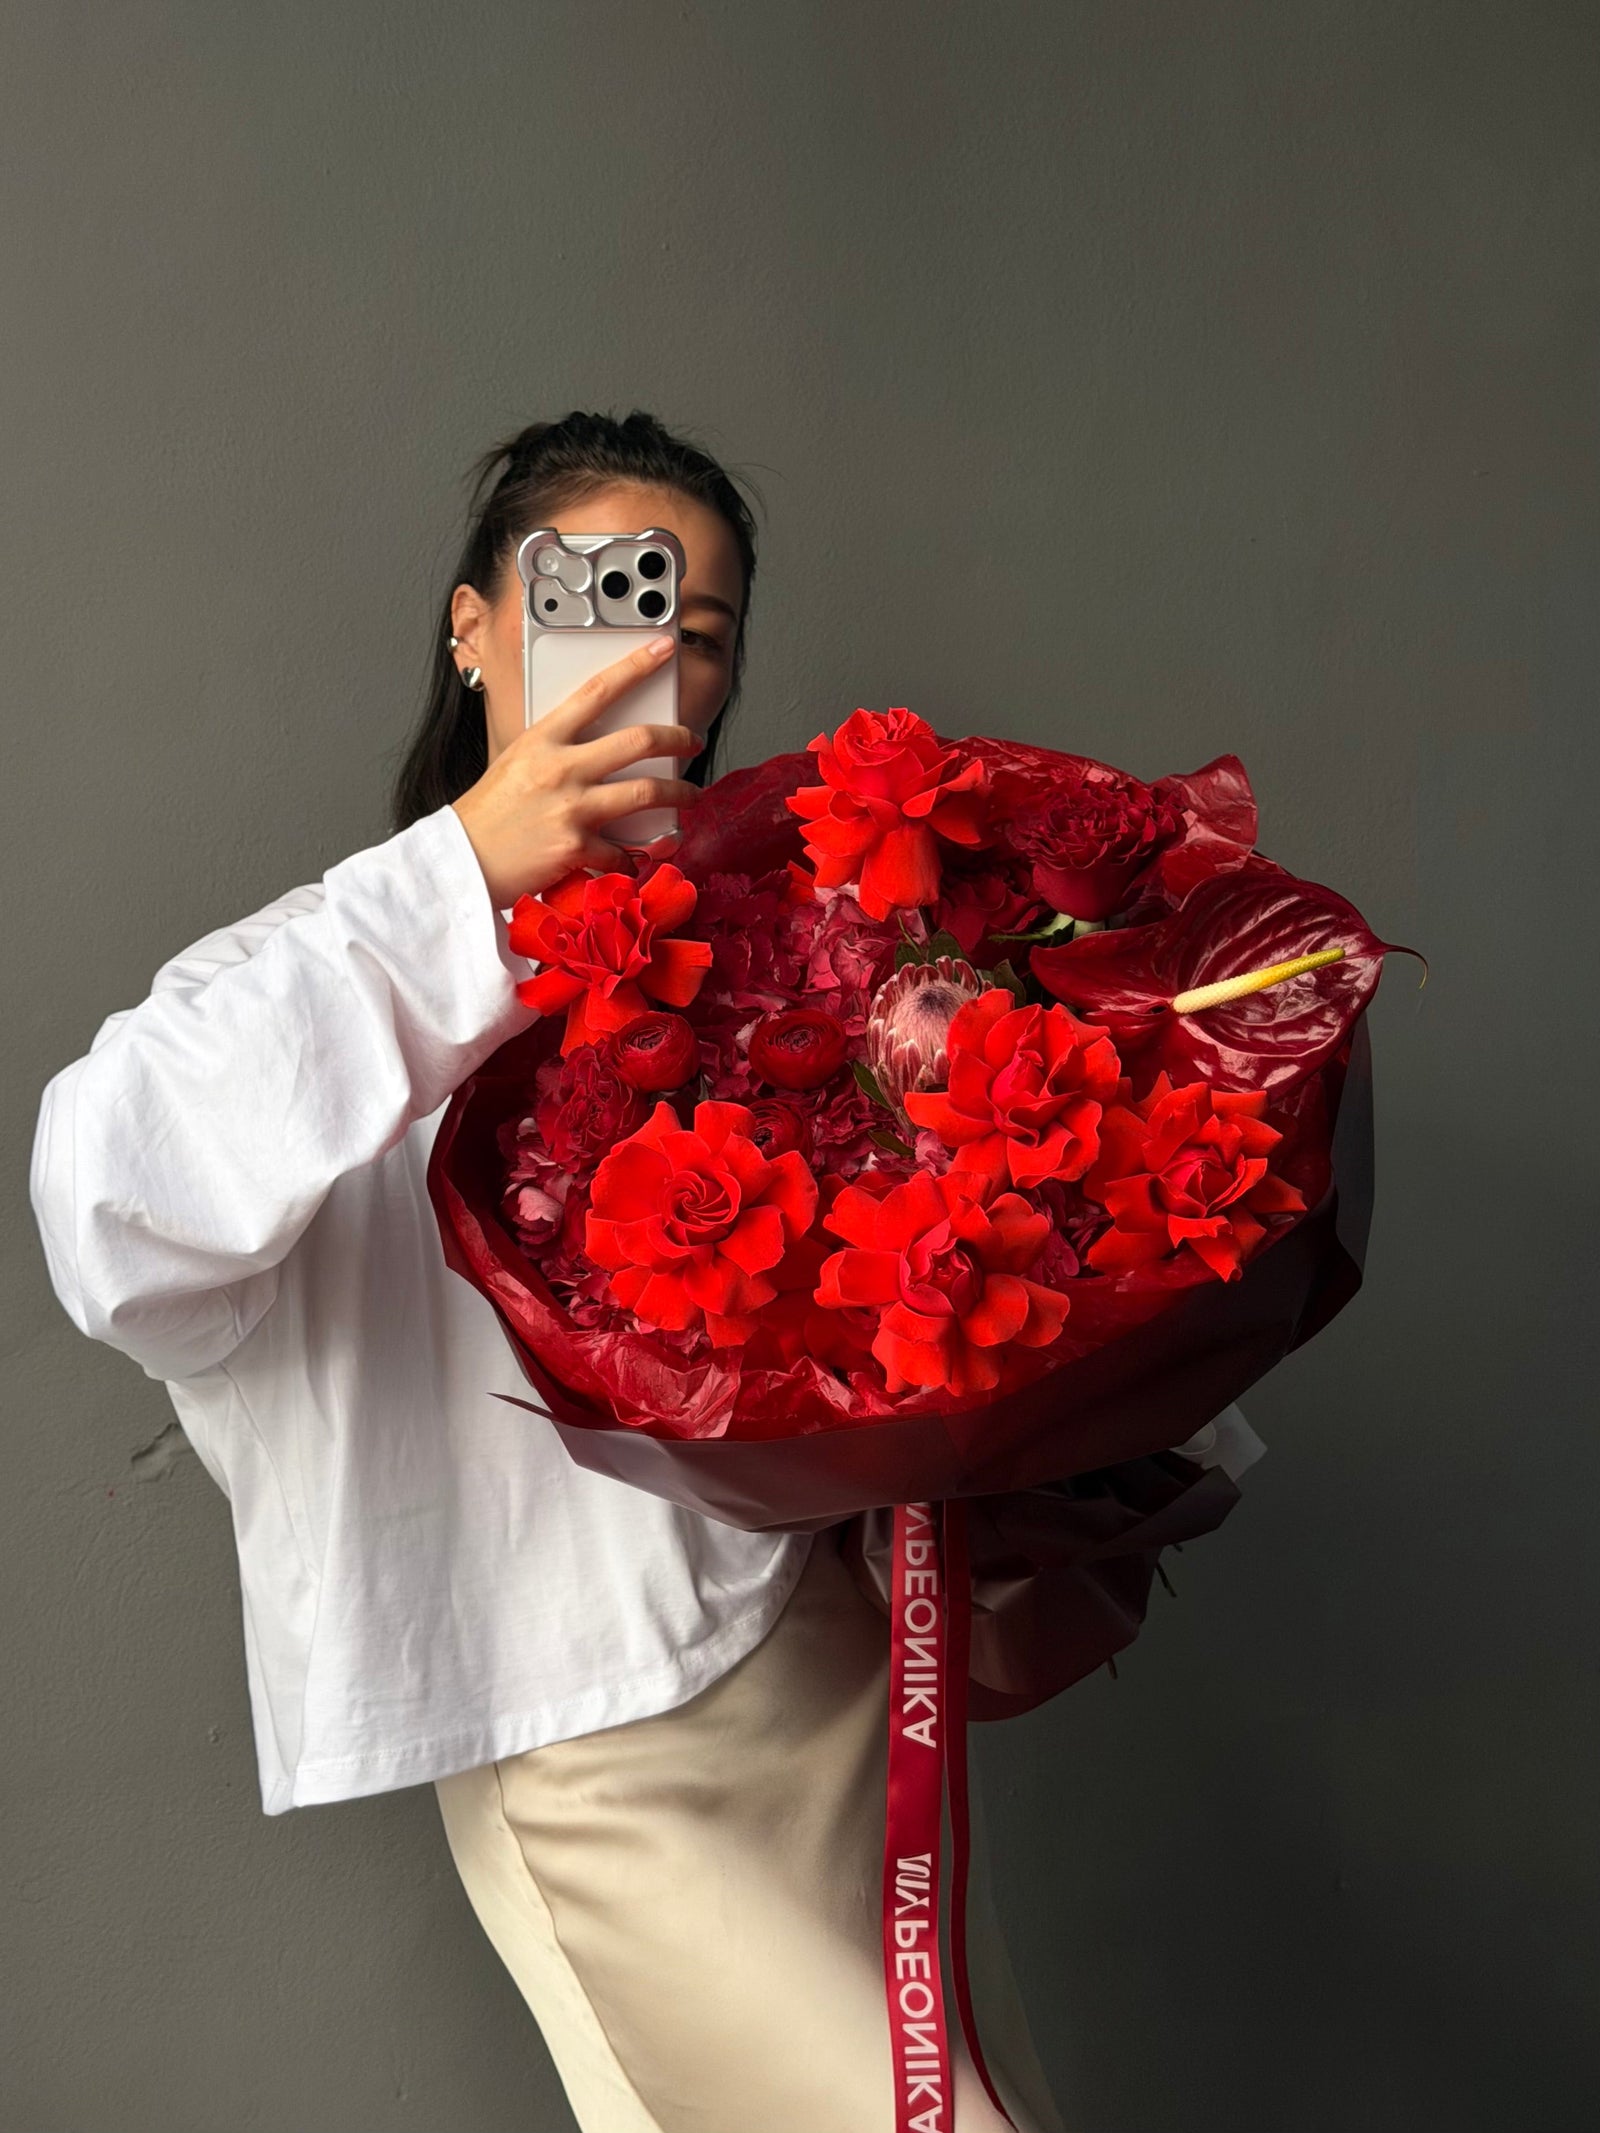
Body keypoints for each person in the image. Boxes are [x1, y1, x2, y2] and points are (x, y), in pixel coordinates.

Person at [28, 408, 1069, 2132]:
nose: (649, 655)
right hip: (587, 1725)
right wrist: (463, 880)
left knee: (977, 2099)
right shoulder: (316, 962)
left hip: (825, 1672)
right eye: (599, 594)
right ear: (474, 627)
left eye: (701, 632)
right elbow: (108, 1213)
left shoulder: (791, 951)